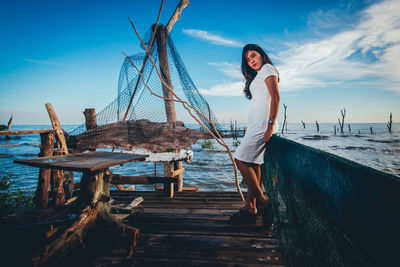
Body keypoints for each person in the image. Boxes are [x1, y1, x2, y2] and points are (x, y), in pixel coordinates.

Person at [230, 44, 280, 226]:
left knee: (240, 159)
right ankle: (250, 209)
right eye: (248, 59)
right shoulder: (258, 76)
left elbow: (276, 97)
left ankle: (262, 201)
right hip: (255, 126)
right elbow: (260, 101)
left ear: (262, 55)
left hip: (262, 126)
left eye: (253, 55)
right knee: (254, 163)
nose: (251, 60)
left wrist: (270, 126)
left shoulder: (268, 68)